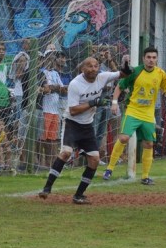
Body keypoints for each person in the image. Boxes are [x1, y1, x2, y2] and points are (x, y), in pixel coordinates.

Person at [39, 56, 129, 204]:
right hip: (72, 124)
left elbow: (122, 75)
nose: (93, 69)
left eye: (96, 66)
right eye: (90, 66)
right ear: (82, 69)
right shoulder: (75, 84)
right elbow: (73, 110)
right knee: (66, 152)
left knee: (94, 159)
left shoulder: (102, 77)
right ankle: (47, 187)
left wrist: (125, 68)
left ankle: (79, 195)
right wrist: (93, 102)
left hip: (87, 125)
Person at [103, 46, 166, 184]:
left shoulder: (161, 74)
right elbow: (120, 86)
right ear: (144, 58)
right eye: (148, 57)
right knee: (124, 137)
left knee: (149, 143)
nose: (151, 60)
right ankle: (109, 169)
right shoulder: (135, 71)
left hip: (148, 115)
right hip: (132, 110)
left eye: (154, 58)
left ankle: (145, 176)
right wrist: (114, 102)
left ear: (157, 59)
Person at [38, 50, 65, 169]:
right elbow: (47, 89)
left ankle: (51, 162)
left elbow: (62, 89)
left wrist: (55, 88)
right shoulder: (42, 73)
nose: (51, 60)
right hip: (45, 108)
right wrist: (55, 88)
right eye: (49, 58)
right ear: (45, 59)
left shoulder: (56, 73)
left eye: (53, 58)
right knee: (42, 137)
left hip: (55, 109)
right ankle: (41, 161)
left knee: (53, 138)